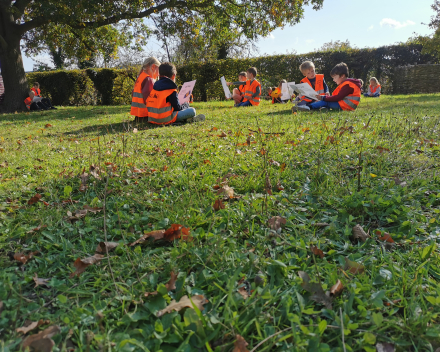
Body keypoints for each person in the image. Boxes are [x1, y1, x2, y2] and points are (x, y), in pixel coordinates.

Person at [293, 62, 361, 112]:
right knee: (325, 102)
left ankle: (308, 107)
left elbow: (338, 97)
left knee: (325, 102)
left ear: (342, 76)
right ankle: (320, 108)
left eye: (334, 78)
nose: (333, 80)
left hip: (345, 106)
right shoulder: (348, 83)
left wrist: (323, 97)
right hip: (346, 105)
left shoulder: (347, 85)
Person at [131, 57, 160, 123]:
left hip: (138, 116)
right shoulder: (148, 80)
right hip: (146, 116)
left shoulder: (140, 78)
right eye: (158, 70)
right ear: (153, 67)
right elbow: (150, 100)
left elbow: (133, 94)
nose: (158, 74)